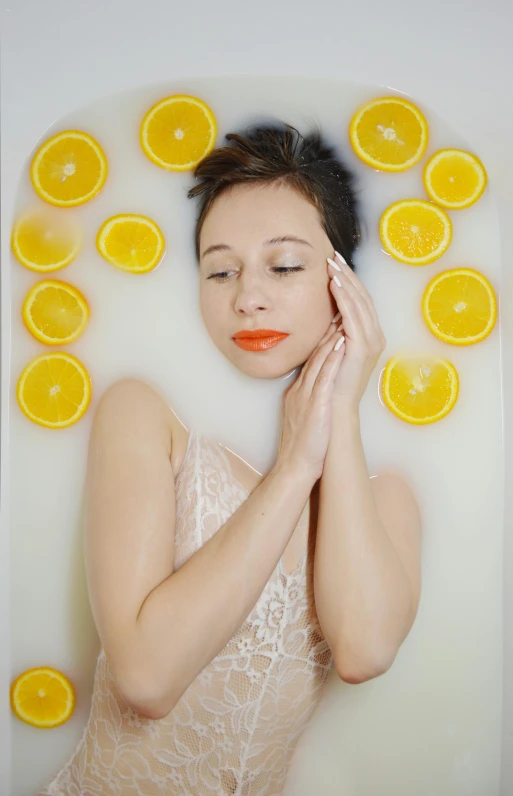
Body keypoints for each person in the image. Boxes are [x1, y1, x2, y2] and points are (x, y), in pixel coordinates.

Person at [39, 122, 422, 796]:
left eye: (284, 265)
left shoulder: (386, 497)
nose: (247, 297)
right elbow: (146, 678)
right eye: (219, 269)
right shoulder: (143, 415)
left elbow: (363, 652)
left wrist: (337, 417)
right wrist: (293, 467)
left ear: (344, 284)